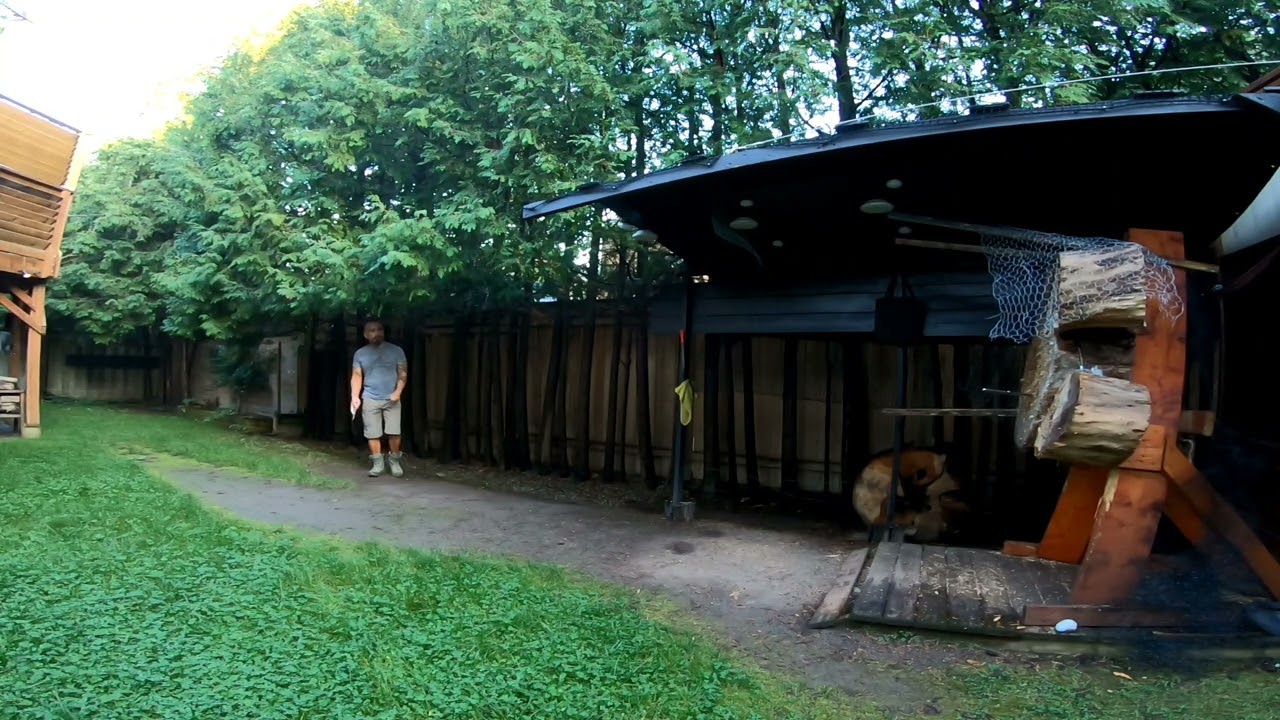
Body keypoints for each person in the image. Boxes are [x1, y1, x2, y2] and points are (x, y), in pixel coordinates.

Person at [350, 318, 408, 477]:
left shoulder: (396, 351)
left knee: (394, 432)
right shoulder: (360, 354)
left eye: (379, 330)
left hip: (392, 397)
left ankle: (395, 462)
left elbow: (403, 373)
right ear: (366, 334)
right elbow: (356, 376)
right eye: (373, 330)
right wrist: (354, 396)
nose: (377, 333)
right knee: (372, 432)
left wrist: (398, 392)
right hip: (370, 397)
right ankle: (378, 463)